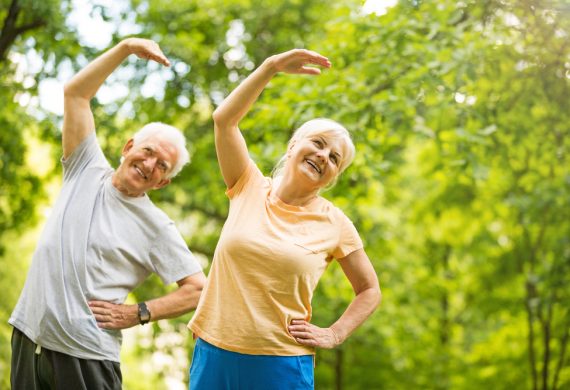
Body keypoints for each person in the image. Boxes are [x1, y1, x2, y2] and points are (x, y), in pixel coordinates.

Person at [9, 38, 206, 390]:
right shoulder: (85, 166)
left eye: (162, 166)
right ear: (128, 147)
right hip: (29, 336)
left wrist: (139, 313)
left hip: (87, 356)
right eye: (147, 152)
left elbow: (197, 290)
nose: (149, 165)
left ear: (162, 183)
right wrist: (126, 48)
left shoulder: (156, 226)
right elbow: (75, 94)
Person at [188, 49, 381, 389]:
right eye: (317, 143)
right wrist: (272, 66)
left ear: (333, 175)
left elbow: (369, 290)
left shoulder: (335, 223)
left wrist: (334, 333)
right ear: (293, 145)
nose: (323, 156)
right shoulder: (247, 185)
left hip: (280, 365)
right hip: (214, 352)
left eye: (334, 157)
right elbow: (224, 120)